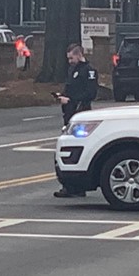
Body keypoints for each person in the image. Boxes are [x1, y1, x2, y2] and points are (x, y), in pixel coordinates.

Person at [53, 44, 98, 199]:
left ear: (79, 55)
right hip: (69, 112)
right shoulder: (72, 70)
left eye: (72, 58)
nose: (70, 61)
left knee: (76, 148)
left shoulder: (89, 71)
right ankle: (70, 186)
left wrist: (71, 100)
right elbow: (70, 88)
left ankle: (76, 186)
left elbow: (90, 93)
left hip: (81, 112)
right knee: (68, 147)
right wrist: (62, 96)